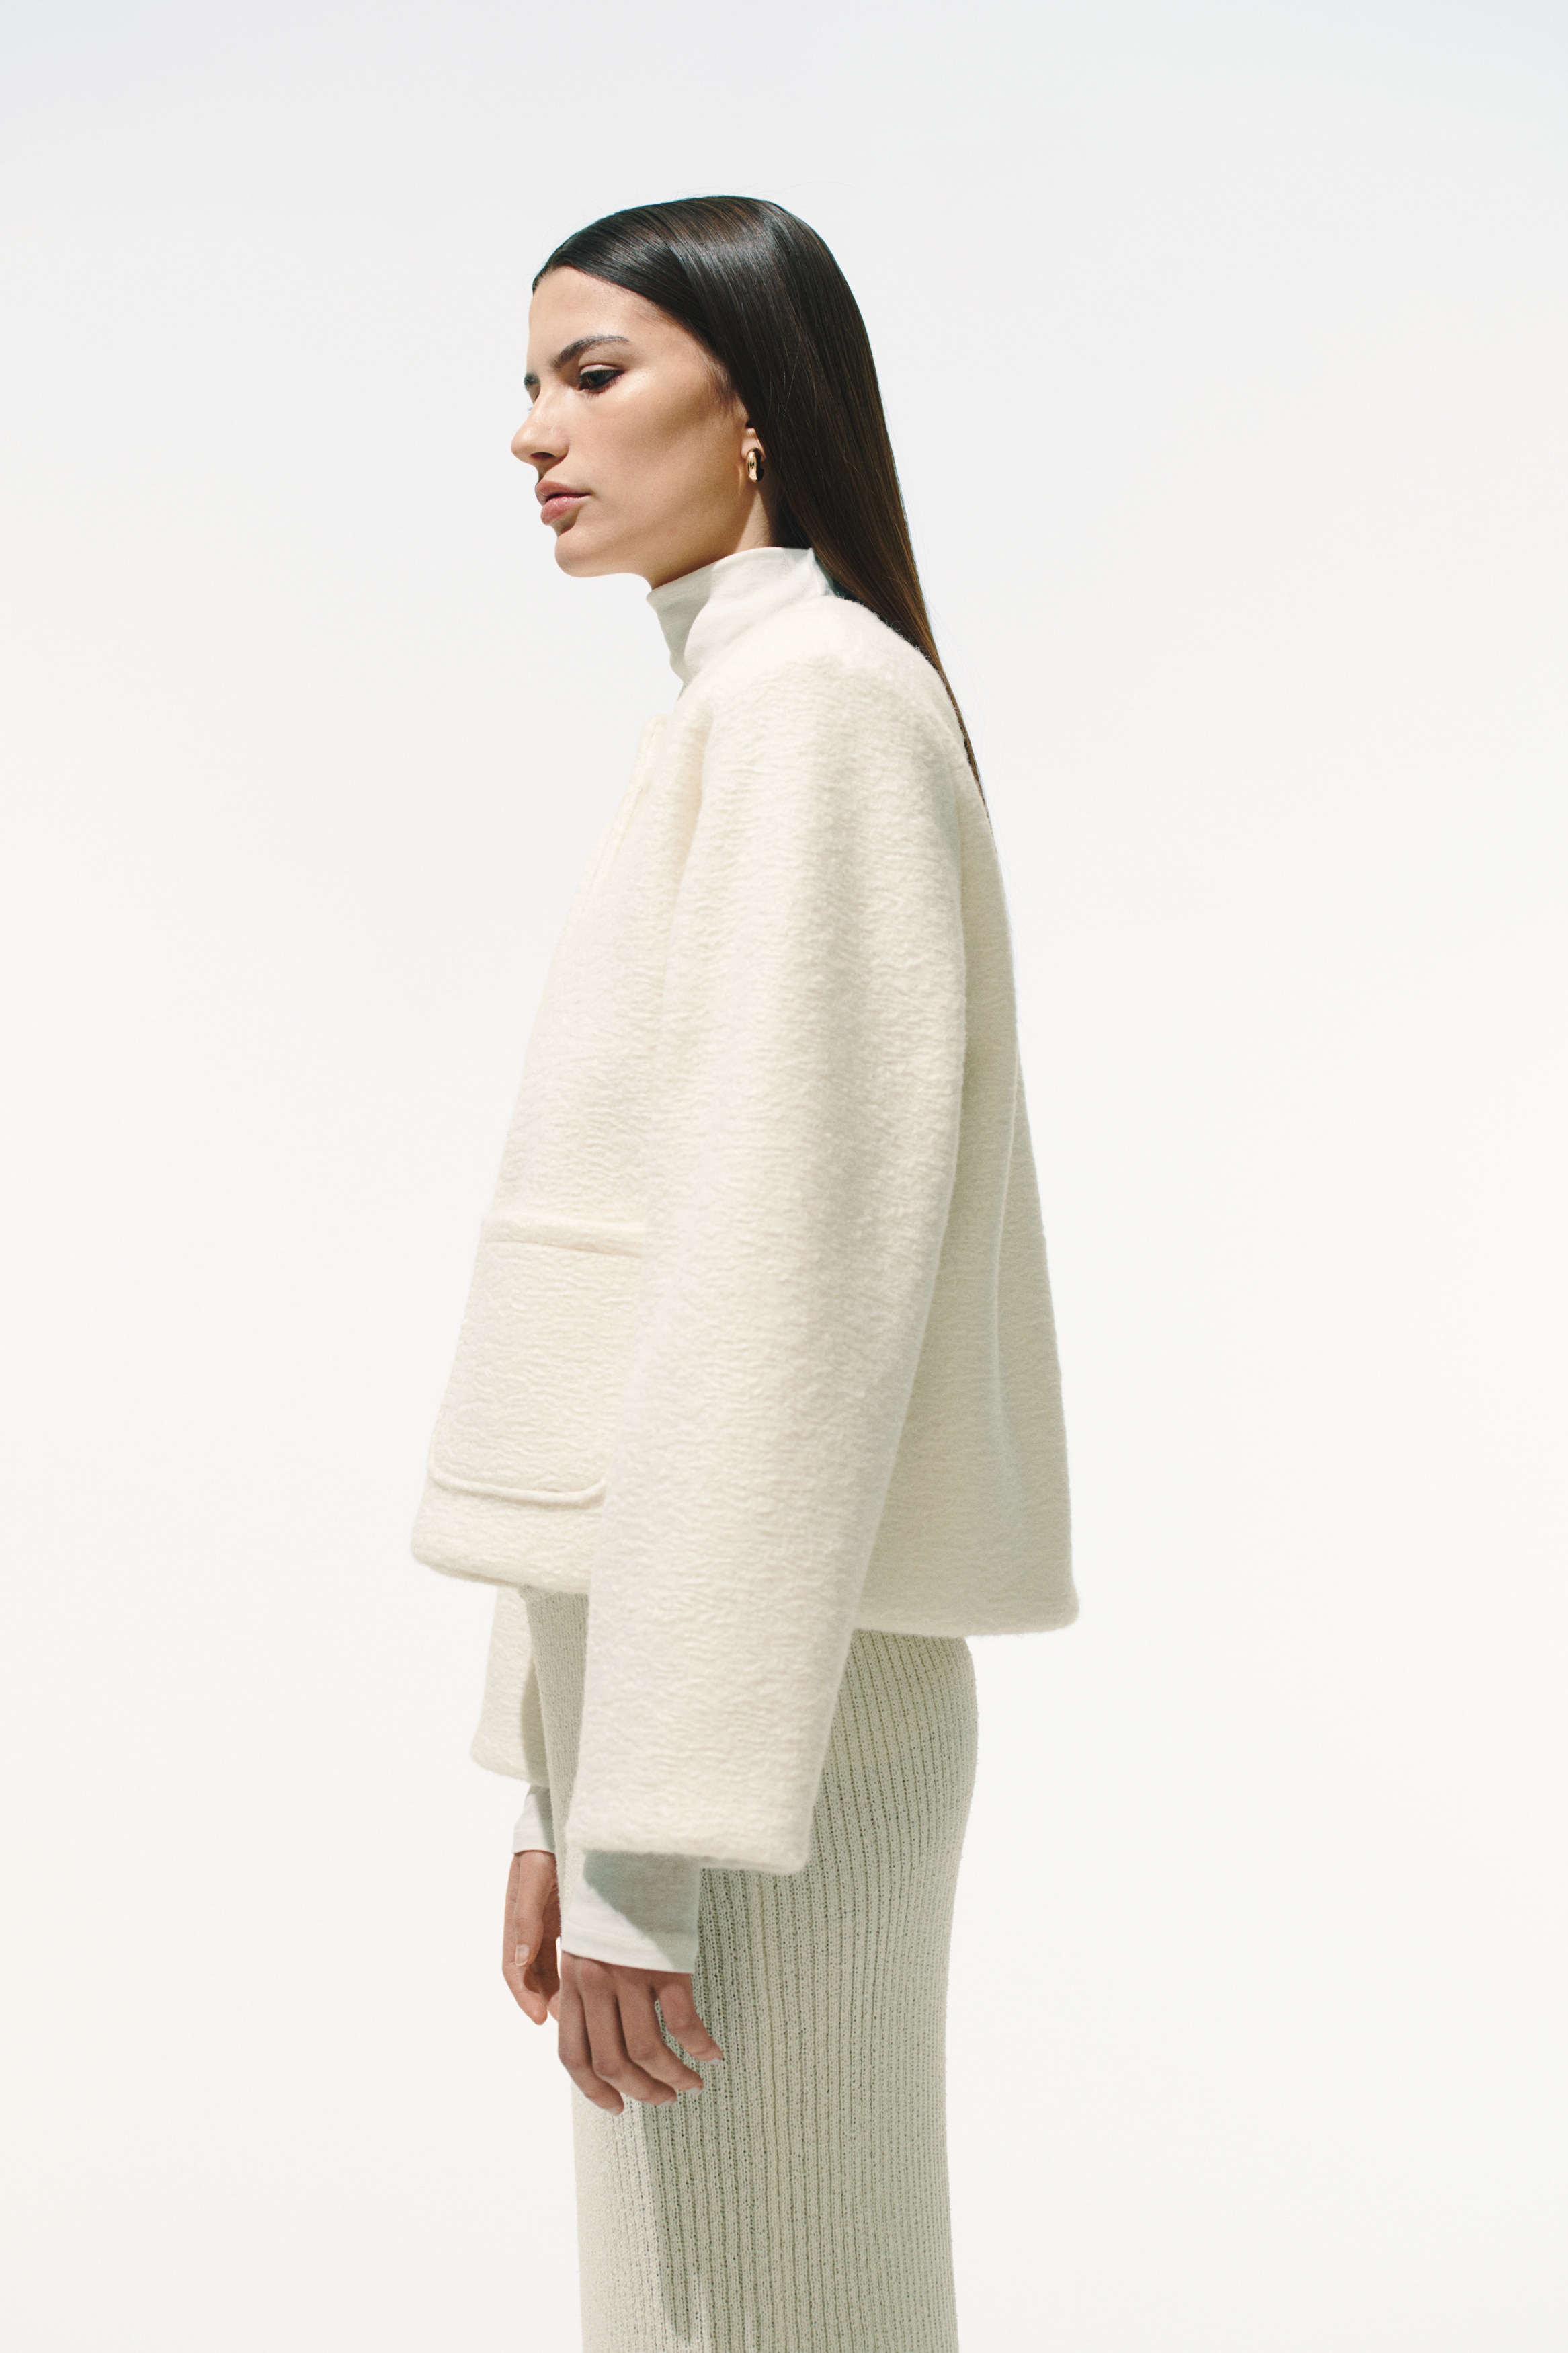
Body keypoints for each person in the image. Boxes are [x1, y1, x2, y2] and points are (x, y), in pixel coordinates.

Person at [411, 195, 1075, 2353]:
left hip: (769, 1718)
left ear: (760, 406)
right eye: (529, 382)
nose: (534, 432)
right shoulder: (743, 704)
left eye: (592, 374)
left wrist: (653, 1832)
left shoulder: (815, 712)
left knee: (773, 2315)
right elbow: (625, 1313)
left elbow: (776, 1315)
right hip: (706, 1707)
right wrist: (562, 1781)